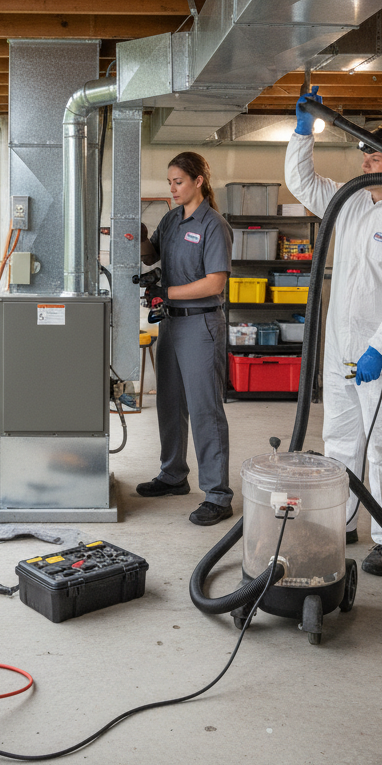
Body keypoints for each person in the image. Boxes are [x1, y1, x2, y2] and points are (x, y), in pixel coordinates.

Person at [285, 89, 382, 575]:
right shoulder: (349, 202)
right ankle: (344, 519)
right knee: (339, 438)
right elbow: (300, 182)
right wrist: (301, 134)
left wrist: (378, 346)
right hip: (339, 348)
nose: (365, 158)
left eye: (374, 151)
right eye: (363, 150)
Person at [135, 152, 234, 526]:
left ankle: (218, 494)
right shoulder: (172, 219)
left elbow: (215, 282)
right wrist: (141, 237)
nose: (173, 188)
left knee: (205, 409)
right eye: (170, 181)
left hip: (201, 325)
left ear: (198, 181)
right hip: (172, 325)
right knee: (170, 403)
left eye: (178, 181)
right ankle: (173, 475)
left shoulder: (213, 225)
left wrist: (167, 292)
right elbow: (151, 257)